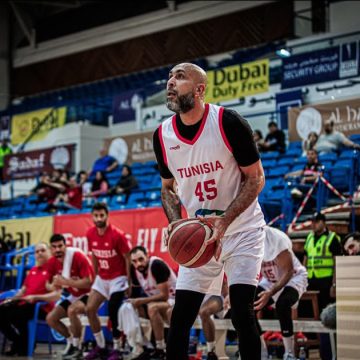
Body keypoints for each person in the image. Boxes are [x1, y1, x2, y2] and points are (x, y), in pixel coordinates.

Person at [153, 62, 266, 360]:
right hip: (200, 234)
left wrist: (225, 220)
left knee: (242, 313)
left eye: (180, 77)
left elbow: (256, 177)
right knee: (180, 320)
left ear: (200, 89)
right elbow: (167, 188)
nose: (170, 82)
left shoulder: (228, 122)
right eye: (169, 77)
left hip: (241, 229)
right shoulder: (162, 135)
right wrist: (177, 223)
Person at [85, 202, 132, 360]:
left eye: (101, 215)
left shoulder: (117, 235)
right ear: (92, 217)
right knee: (90, 309)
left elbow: (127, 258)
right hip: (102, 278)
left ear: (107, 216)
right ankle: (101, 346)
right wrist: (95, 275)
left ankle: (117, 348)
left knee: (113, 310)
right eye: (96, 215)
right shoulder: (90, 233)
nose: (98, 218)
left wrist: (129, 281)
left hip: (118, 278)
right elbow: (94, 254)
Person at [254, 226, 308, 360]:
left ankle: (289, 353)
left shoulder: (275, 239)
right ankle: (261, 351)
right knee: (247, 305)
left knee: (282, 304)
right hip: (270, 280)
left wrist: (271, 292)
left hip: (293, 278)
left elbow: (288, 271)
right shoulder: (246, 242)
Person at [0, 243, 60, 356]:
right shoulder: (32, 271)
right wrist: (12, 299)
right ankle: (18, 342)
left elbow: (56, 296)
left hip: (42, 307)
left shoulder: (54, 271)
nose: (40, 253)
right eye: (37, 252)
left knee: (17, 313)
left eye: (43, 250)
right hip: (25, 304)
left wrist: (36, 297)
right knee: (2, 311)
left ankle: (23, 345)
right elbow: (23, 290)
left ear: (49, 252)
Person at [121, 245, 177, 360]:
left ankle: (160, 348)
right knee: (127, 308)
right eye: (134, 261)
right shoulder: (136, 270)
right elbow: (135, 296)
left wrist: (141, 301)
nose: (138, 264)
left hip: (174, 300)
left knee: (152, 307)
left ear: (147, 256)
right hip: (159, 302)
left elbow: (164, 296)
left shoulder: (156, 265)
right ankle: (142, 345)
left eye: (141, 259)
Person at [46, 234, 95, 360]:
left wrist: (66, 282)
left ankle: (78, 346)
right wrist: (54, 285)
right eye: (54, 247)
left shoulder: (77, 256)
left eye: (60, 246)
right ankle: (71, 342)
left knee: (72, 310)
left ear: (65, 246)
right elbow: (50, 285)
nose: (57, 250)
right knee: (51, 318)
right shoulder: (51, 262)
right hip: (75, 295)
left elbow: (88, 282)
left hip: (92, 293)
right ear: (51, 249)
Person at [303, 213, 341, 312]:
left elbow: (337, 262)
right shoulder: (309, 237)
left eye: (316, 222)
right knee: (311, 310)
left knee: (325, 309)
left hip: (326, 280)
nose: (313, 224)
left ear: (324, 223)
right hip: (311, 279)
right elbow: (305, 259)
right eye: (312, 222)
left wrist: (334, 284)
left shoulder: (332, 238)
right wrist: (303, 278)